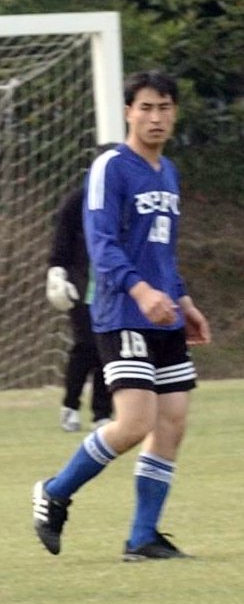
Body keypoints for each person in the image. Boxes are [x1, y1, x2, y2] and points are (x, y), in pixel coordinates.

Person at [31, 70, 211, 561]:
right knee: (133, 423)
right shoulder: (111, 166)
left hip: (165, 315)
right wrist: (141, 289)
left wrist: (185, 300)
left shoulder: (167, 172)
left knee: (172, 421)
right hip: (120, 313)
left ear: (174, 113)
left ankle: (142, 537)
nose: (156, 117)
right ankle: (55, 491)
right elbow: (102, 243)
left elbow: (163, 253)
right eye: (146, 107)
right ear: (129, 111)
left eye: (165, 107)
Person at [47, 165, 114, 433]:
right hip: (82, 284)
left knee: (108, 351)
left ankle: (102, 413)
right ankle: (70, 406)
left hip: (114, 288)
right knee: (86, 346)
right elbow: (61, 241)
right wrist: (57, 273)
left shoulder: (122, 201)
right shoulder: (78, 200)